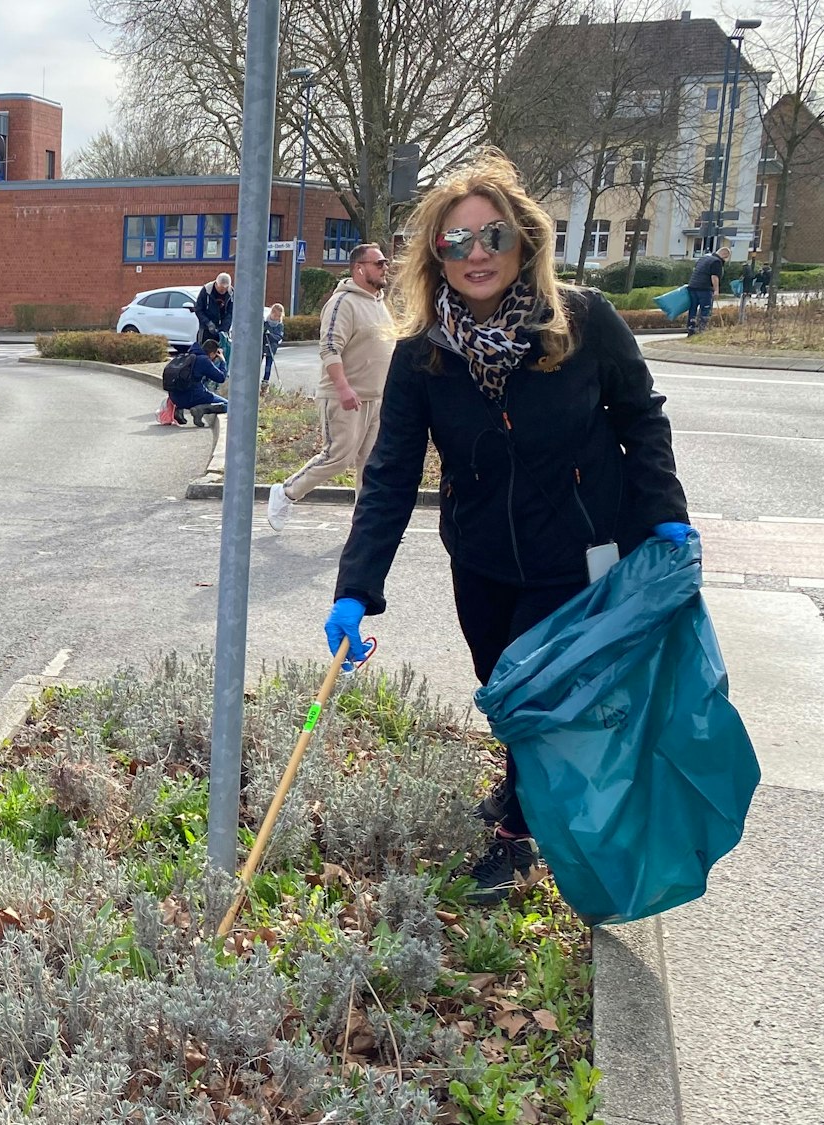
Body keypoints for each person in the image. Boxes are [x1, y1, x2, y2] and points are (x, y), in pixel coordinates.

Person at [319, 149, 694, 905]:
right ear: (435, 256)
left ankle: (520, 836)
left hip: (580, 553)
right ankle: (524, 791)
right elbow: (392, 474)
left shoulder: (582, 322)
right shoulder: (426, 353)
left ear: (524, 241)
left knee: (542, 694)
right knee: (504, 684)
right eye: (455, 242)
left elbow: (640, 417)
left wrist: (665, 518)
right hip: (482, 555)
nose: (475, 254)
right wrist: (356, 589)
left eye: (492, 236)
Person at [267, 243, 393, 530]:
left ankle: (366, 525)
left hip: (376, 399)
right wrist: (344, 387)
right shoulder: (342, 303)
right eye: (379, 263)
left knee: (371, 464)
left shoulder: (379, 303)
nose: (385, 267)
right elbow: (329, 349)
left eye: (385, 263)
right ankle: (286, 493)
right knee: (338, 457)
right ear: (359, 268)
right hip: (344, 396)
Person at [161, 337, 228, 426]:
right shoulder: (204, 360)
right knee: (229, 405)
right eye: (215, 355)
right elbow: (221, 378)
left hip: (175, 399)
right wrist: (223, 361)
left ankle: (178, 410)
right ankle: (201, 409)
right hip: (192, 397)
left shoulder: (186, 356)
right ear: (212, 354)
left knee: (195, 386)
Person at [686, 245, 729, 335]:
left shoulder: (704, 257)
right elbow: (714, 277)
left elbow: (695, 269)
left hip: (692, 286)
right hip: (704, 289)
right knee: (705, 310)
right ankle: (702, 330)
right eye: (726, 258)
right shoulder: (716, 262)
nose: (725, 260)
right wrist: (716, 290)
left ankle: (691, 329)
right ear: (724, 255)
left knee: (693, 308)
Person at [194, 271, 234, 349]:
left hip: (223, 330)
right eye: (221, 289)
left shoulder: (231, 294)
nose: (223, 291)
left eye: (225, 289)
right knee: (204, 351)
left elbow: (230, 313)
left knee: (223, 351)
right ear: (216, 284)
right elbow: (198, 309)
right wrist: (208, 323)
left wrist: (224, 329)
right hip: (206, 329)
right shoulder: (206, 291)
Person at [261, 303, 286, 386]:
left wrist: (270, 335)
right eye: (275, 316)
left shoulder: (279, 325)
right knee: (258, 363)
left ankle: (265, 382)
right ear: (271, 313)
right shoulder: (265, 323)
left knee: (268, 366)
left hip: (272, 348)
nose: (276, 318)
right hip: (262, 347)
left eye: (278, 317)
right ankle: (255, 379)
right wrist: (264, 334)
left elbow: (279, 337)